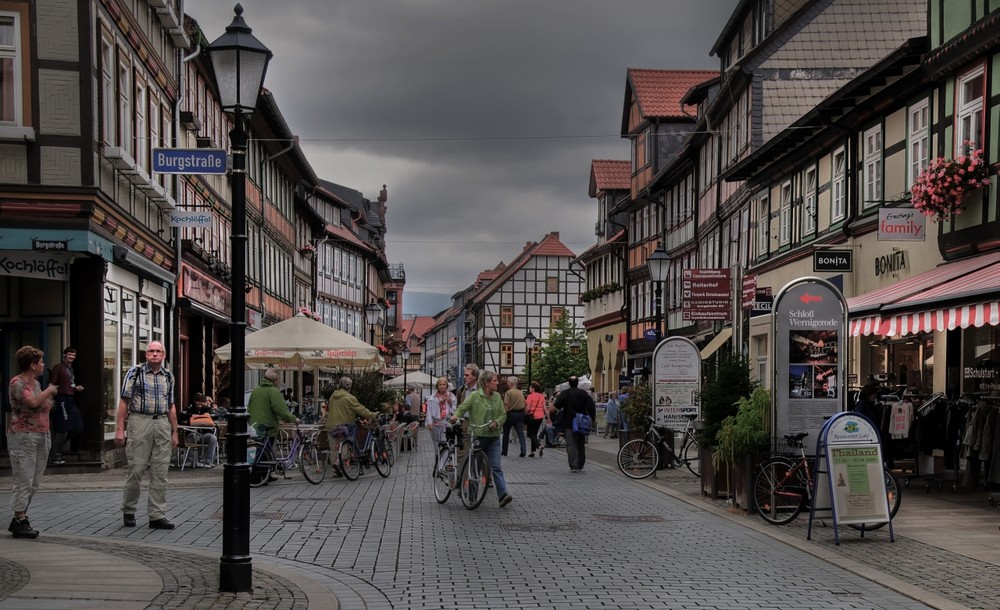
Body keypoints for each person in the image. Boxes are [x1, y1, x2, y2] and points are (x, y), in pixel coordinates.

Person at [116, 340, 177, 529]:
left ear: (164, 355)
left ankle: (157, 515)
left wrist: (175, 431)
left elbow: (171, 405)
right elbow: (124, 401)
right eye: (151, 351)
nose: (155, 354)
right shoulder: (135, 372)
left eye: (158, 351)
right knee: (136, 468)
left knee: (161, 471)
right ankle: (129, 510)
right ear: (146, 354)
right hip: (140, 420)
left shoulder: (168, 376)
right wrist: (120, 428)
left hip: (161, 423)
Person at [7, 345, 59, 539]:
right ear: (32, 364)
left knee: (35, 481)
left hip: (42, 435)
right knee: (24, 479)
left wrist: (45, 395)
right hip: (23, 436)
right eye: (40, 362)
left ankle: (19, 516)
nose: (43, 365)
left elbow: (45, 405)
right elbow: (34, 403)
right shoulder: (17, 383)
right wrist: (50, 390)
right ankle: (21, 519)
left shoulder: (36, 385)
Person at [450, 370, 511, 507]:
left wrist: (497, 422)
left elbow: (502, 414)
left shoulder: (496, 397)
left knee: (496, 467)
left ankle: (503, 495)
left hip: (493, 437)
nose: (497, 383)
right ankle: (472, 496)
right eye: (495, 381)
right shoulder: (476, 396)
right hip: (478, 435)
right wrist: (455, 416)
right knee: (475, 468)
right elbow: (463, 407)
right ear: (487, 383)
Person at [248, 370, 300, 477]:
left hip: (255, 425)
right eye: (278, 380)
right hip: (268, 425)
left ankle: (266, 475)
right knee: (264, 450)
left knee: (262, 450)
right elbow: (281, 409)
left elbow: (249, 408)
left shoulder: (255, 391)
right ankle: (257, 476)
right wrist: (293, 418)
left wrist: (252, 421)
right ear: (275, 380)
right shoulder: (273, 391)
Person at [48, 346, 84, 465]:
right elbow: (52, 384)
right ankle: (55, 457)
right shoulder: (58, 367)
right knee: (62, 429)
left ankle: (55, 447)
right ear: (64, 355)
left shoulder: (70, 368)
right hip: (62, 399)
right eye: (69, 355)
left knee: (78, 427)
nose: (71, 357)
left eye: (73, 355)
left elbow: (70, 384)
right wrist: (50, 400)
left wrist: (76, 387)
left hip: (71, 399)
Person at [324, 376, 380, 454]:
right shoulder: (349, 398)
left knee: (334, 450)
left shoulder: (332, 396)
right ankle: (341, 463)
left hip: (330, 426)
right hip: (343, 426)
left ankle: (335, 464)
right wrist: (373, 415)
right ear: (349, 387)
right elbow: (361, 409)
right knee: (344, 447)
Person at [555, 375, 597, 473]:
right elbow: (591, 406)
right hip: (581, 422)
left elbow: (557, 405)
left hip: (569, 422)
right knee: (580, 443)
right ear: (577, 383)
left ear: (569, 383)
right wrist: (593, 418)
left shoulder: (565, 393)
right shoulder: (583, 393)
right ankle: (580, 463)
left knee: (571, 444)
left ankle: (573, 465)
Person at [182, 393, 218, 468]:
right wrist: (192, 415)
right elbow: (181, 415)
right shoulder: (190, 408)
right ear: (195, 401)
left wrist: (207, 415)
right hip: (193, 432)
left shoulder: (207, 408)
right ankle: (190, 460)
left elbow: (216, 415)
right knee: (191, 437)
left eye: (202, 401)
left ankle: (209, 461)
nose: (200, 403)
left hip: (204, 434)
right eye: (198, 401)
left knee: (213, 438)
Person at [425, 376, 457, 447]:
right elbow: (429, 412)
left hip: (447, 424)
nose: (442, 386)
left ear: (447, 386)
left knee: (445, 444)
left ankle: (443, 457)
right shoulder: (432, 398)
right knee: (436, 445)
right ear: (437, 386)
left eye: (444, 384)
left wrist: (450, 403)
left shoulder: (451, 396)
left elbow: (455, 410)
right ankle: (437, 457)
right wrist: (429, 423)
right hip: (435, 424)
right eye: (440, 384)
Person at [501, 376, 527, 457]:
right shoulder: (520, 392)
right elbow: (524, 404)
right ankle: (523, 450)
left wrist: (503, 415)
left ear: (511, 384)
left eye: (508, 382)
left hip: (510, 414)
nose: (507, 383)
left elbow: (506, 405)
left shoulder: (509, 393)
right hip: (520, 414)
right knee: (520, 433)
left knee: (506, 433)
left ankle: (504, 451)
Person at [524, 381, 546, 457]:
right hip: (540, 416)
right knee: (534, 433)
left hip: (532, 417)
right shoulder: (541, 396)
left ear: (533, 388)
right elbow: (544, 408)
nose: (529, 389)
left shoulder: (530, 396)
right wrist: (548, 417)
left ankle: (539, 446)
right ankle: (532, 451)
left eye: (530, 387)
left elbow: (528, 408)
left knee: (530, 434)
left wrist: (525, 414)